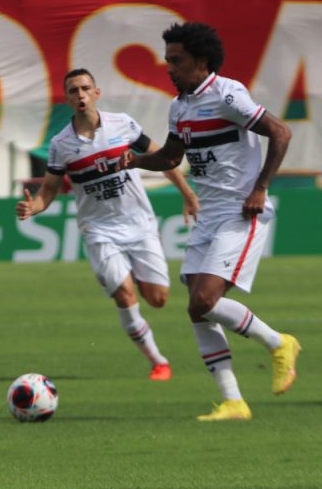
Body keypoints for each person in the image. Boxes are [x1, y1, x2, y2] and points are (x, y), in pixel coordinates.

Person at [117, 23, 299, 420]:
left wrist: (261, 188)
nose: (169, 68)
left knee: (204, 299)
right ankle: (233, 401)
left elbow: (280, 133)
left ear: (200, 61)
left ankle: (278, 342)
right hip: (208, 215)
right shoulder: (179, 106)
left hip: (240, 211)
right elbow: (170, 157)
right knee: (197, 310)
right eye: (167, 61)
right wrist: (135, 160)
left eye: (176, 60)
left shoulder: (227, 94)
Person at [17, 68, 199, 381]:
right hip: (99, 231)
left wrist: (187, 194)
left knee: (157, 299)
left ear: (96, 92)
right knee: (125, 296)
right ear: (67, 99)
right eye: (73, 91)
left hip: (139, 224)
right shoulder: (61, 145)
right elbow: (48, 190)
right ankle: (159, 361)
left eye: (85, 88)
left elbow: (164, 158)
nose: (80, 95)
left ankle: (135, 277)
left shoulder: (123, 124)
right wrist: (34, 205)